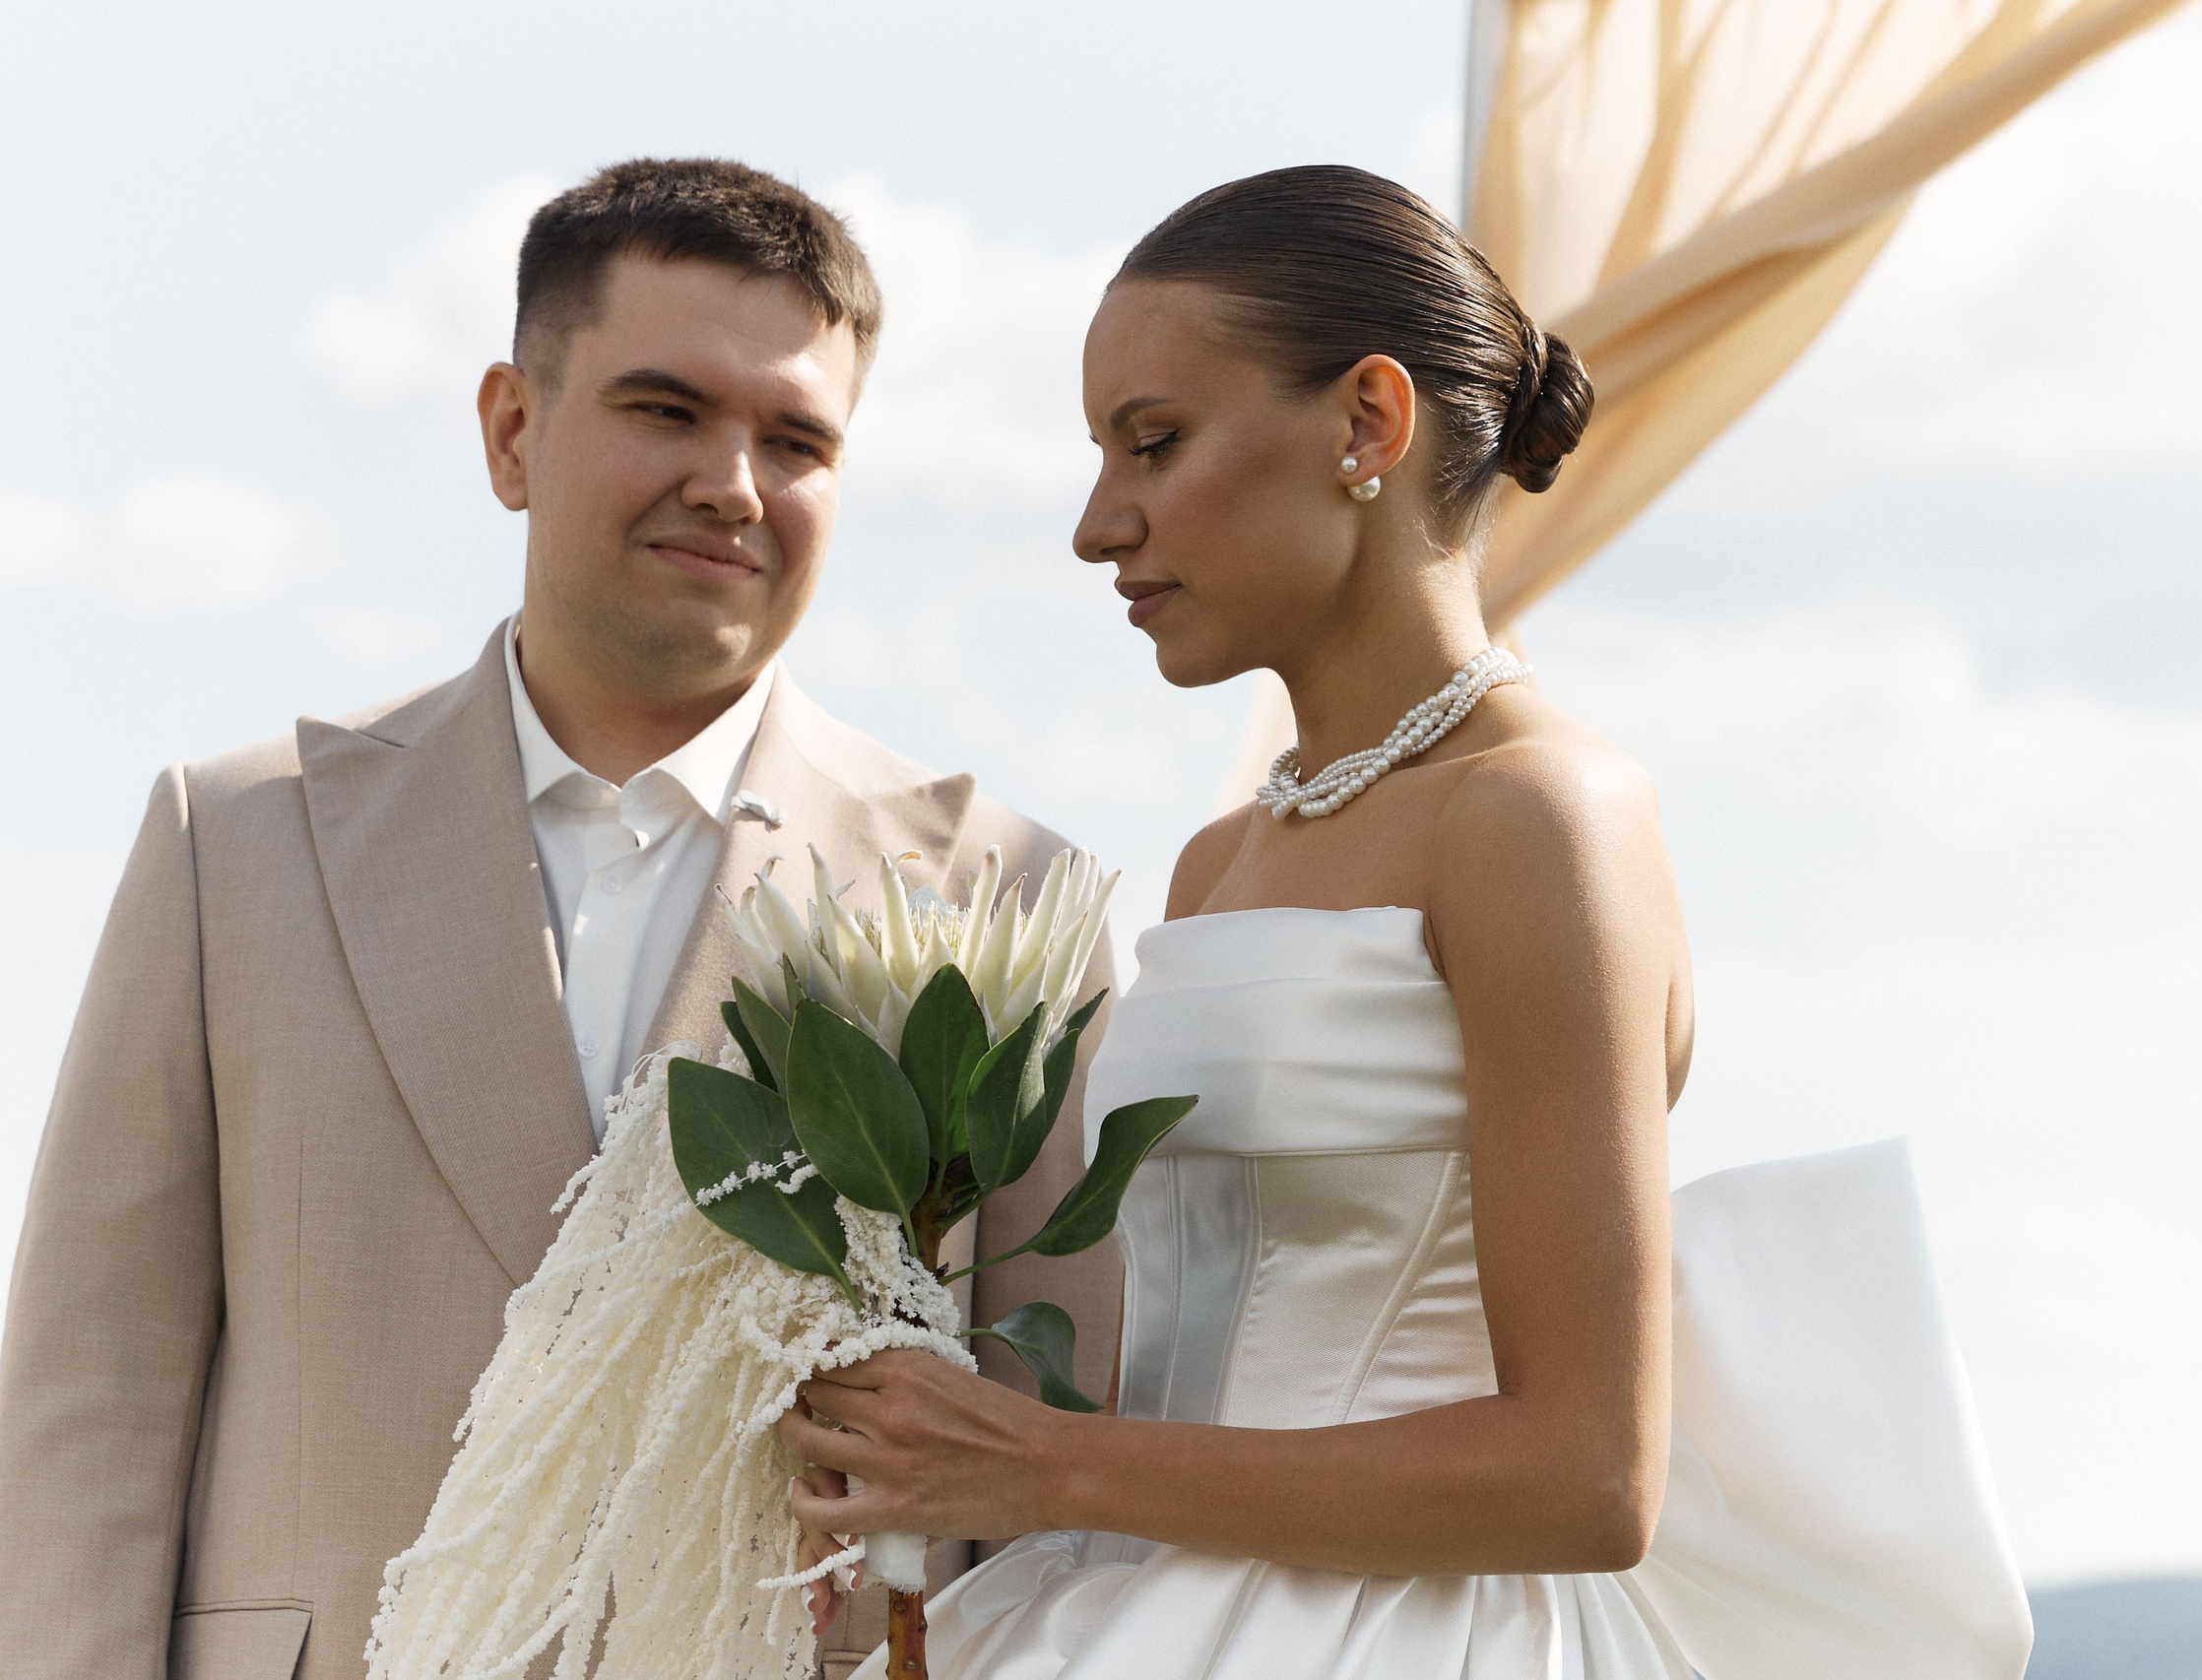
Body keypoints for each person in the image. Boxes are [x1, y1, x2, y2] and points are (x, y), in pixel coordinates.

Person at [778, 166, 2038, 1678]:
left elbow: (1588, 1475)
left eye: (1155, 444)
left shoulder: (1536, 820)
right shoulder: (1215, 863)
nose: (1098, 523)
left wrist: (1046, 1468)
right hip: (1131, 1617)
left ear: (1369, 424)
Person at [0, 158, 1115, 1680]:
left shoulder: (996, 895)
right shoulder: (234, 842)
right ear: (513, 432)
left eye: (796, 438)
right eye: (668, 409)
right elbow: (89, 1407)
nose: (734, 478)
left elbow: (1063, 1472)